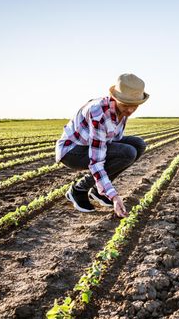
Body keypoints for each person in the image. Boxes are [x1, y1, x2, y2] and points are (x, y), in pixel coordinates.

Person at [55, 73, 149, 216]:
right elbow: (97, 162)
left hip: (90, 146)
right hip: (72, 151)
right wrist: (114, 196)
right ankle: (78, 190)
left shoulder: (121, 111)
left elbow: (113, 141)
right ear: (115, 98)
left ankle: (99, 193)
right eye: (126, 104)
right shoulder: (99, 114)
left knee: (138, 145)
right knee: (127, 152)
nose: (130, 110)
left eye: (134, 106)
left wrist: (105, 187)